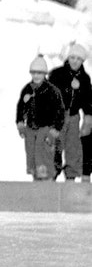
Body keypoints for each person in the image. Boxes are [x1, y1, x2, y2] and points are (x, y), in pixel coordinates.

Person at [16, 55, 66, 181]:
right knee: (32, 154)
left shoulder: (52, 91)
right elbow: (21, 107)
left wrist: (56, 128)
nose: (36, 76)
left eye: (39, 73)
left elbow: (60, 111)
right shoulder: (27, 90)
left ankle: (47, 181)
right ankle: (36, 179)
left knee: (44, 154)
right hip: (31, 128)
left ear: (44, 74)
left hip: (46, 129)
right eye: (33, 73)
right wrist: (20, 123)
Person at [47, 43, 90, 182]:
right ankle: (51, 174)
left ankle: (71, 175)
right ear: (68, 58)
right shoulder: (57, 74)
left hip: (74, 117)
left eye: (78, 59)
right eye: (72, 57)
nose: (75, 61)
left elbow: (88, 99)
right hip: (57, 116)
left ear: (82, 61)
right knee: (55, 145)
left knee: (73, 147)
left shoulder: (84, 78)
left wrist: (88, 115)